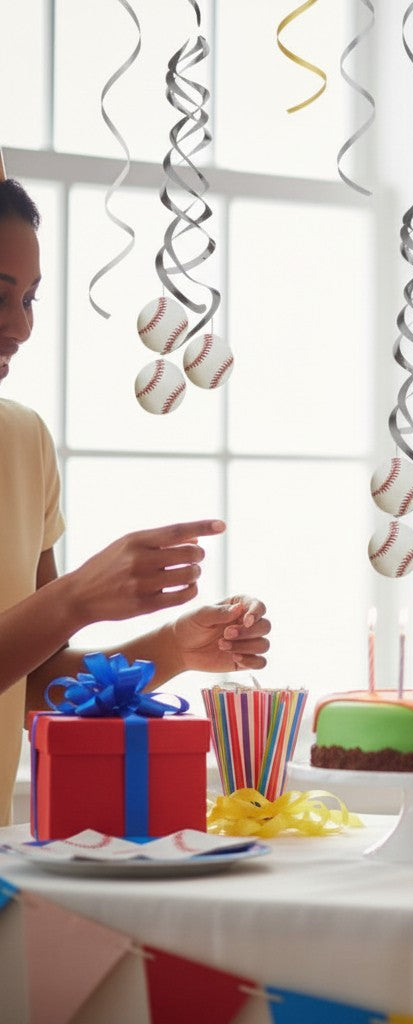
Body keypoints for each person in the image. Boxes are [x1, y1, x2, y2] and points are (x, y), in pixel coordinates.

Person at [0, 175, 271, 824]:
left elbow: (34, 682)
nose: (22, 326)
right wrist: (76, 598)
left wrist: (175, 648)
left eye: (30, 299)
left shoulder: (24, 439)